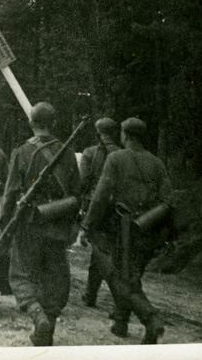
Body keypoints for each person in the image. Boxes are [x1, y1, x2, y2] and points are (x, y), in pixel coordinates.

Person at [82, 118, 172, 344]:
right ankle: (121, 322)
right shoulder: (157, 163)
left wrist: (88, 225)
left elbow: (101, 196)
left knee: (121, 279)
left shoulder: (115, 158)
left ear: (125, 135)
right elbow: (168, 200)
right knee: (131, 277)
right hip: (147, 230)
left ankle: (151, 320)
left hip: (121, 231)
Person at [0, 102, 80, 346]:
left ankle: (38, 317)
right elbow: (76, 193)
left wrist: (4, 225)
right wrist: (71, 226)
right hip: (57, 222)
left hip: (29, 224)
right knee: (55, 278)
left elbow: (10, 193)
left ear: (30, 123)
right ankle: (48, 328)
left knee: (20, 274)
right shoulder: (67, 152)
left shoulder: (21, 151)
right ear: (53, 123)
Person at [78, 118, 120, 307]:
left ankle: (120, 298)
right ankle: (90, 294)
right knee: (100, 250)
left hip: (95, 207)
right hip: (116, 209)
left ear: (97, 134)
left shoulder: (89, 153)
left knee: (101, 253)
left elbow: (83, 182)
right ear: (115, 133)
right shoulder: (121, 154)